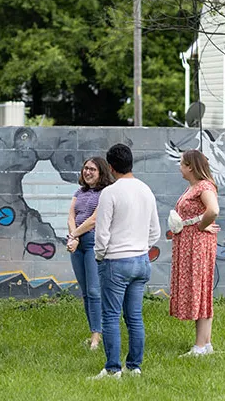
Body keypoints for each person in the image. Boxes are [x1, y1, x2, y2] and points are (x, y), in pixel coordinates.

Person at [92, 144, 161, 379]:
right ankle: (134, 367)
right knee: (134, 317)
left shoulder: (109, 193)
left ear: (110, 168)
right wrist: (142, 247)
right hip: (141, 260)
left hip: (115, 261)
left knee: (110, 316)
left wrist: (100, 256)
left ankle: (113, 369)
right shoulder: (146, 190)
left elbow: (101, 233)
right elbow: (155, 231)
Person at [170, 149, 221, 356]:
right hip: (191, 243)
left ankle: (200, 346)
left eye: (181, 163)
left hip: (198, 244)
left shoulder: (204, 186)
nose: (179, 166)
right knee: (202, 289)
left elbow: (213, 210)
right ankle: (205, 344)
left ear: (190, 166)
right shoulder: (194, 186)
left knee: (200, 288)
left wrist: (200, 226)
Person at [66, 156, 114, 351]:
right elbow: (71, 215)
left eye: (92, 169)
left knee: (95, 290)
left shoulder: (105, 193)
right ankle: (93, 331)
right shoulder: (79, 192)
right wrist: (73, 237)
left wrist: (75, 235)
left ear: (101, 172)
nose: (87, 172)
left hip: (93, 242)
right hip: (77, 243)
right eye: (86, 168)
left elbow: (95, 219)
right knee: (85, 292)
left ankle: (97, 335)